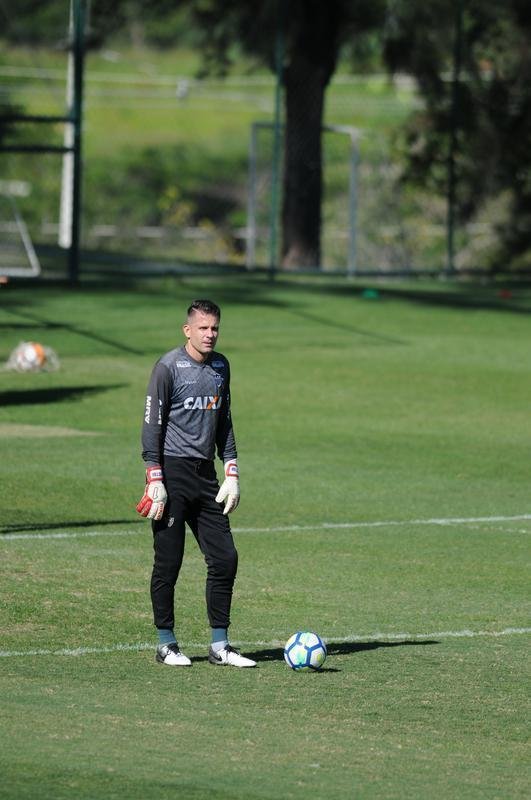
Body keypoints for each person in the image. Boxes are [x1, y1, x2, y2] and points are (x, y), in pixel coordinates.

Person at [136, 299, 256, 668]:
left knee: (225, 558)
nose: (210, 334)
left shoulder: (221, 367)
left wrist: (232, 470)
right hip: (172, 475)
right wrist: (154, 475)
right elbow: (151, 425)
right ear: (187, 330)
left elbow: (225, 422)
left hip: (206, 476)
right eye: (203, 328)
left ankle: (220, 645)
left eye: (215, 328)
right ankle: (166, 643)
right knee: (168, 562)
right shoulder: (168, 368)